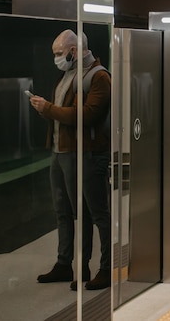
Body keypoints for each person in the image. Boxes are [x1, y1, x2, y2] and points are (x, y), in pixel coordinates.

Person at [30, 29, 111, 291]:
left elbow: (87, 115)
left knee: (95, 212)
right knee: (63, 212)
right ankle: (66, 264)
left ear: (74, 51)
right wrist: (46, 110)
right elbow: (63, 113)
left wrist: (49, 109)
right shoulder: (67, 75)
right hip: (61, 151)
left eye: (59, 53)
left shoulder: (99, 77)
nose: (56, 58)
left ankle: (106, 267)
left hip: (86, 154)